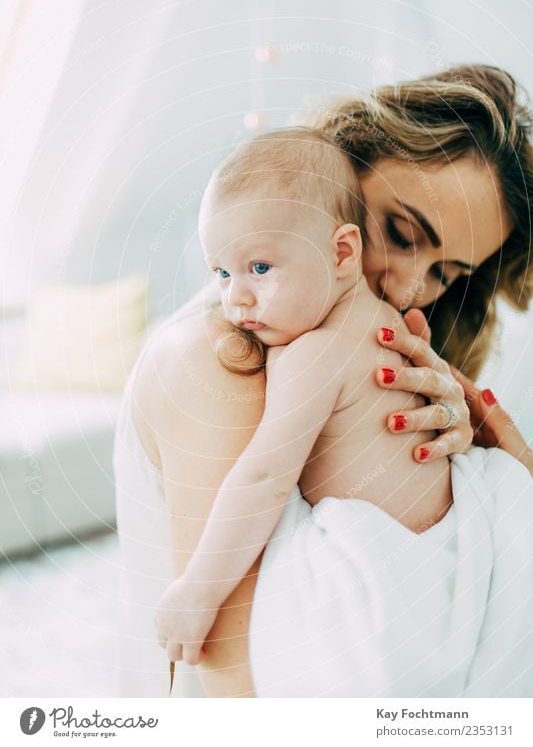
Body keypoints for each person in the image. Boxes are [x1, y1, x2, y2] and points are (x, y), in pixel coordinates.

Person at [113, 64, 533, 698]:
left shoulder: (368, 349)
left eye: (446, 271)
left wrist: (473, 467)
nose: (407, 286)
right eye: (399, 231)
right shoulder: (215, 359)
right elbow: (234, 686)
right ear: (337, 170)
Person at [155, 125, 456, 665]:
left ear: (343, 252)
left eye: (260, 268)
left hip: (385, 579)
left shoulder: (315, 353)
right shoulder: (381, 321)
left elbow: (265, 479)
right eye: (221, 273)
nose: (235, 299)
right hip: (441, 559)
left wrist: (199, 588)